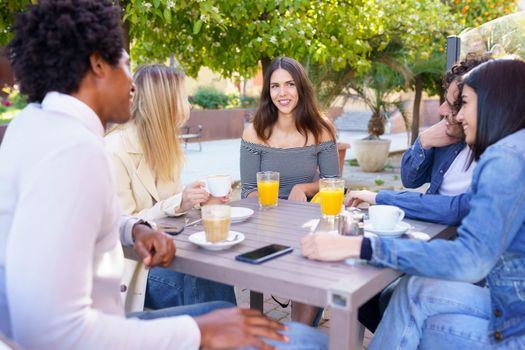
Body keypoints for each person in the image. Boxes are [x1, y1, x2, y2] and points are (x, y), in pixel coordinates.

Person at [0, 1, 327, 349]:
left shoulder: (33, 125)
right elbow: (50, 333)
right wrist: (200, 334)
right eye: (126, 66)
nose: (132, 85)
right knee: (307, 341)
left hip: (103, 318)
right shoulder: (74, 150)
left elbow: (73, 223)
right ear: (98, 64)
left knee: (223, 309)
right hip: (103, 328)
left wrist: (133, 229)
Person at [302, 58, 525, 349]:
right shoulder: (512, 147)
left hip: (512, 323)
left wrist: (361, 246)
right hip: (508, 299)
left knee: (424, 326)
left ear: (494, 102)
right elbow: (410, 176)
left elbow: (469, 259)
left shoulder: (504, 159)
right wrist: (424, 141)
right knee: (413, 288)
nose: (456, 115)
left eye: (464, 103)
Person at [105, 64, 235, 312]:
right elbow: (123, 227)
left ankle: (229, 336)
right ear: (164, 104)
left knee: (213, 267)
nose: (188, 103)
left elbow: (170, 210)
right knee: (201, 277)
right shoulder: (114, 150)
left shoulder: (166, 146)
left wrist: (198, 202)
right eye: (182, 96)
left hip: (164, 253)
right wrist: (178, 202)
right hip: (130, 265)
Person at [240, 56, 339, 325]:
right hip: (266, 222)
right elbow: (247, 191)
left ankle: (298, 334)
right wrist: (279, 207)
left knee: (309, 269)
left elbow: (332, 181)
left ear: (301, 88)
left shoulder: (322, 129)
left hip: (306, 222)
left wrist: (303, 187)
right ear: (267, 92)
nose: (282, 93)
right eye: (275, 86)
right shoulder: (254, 132)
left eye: (290, 85)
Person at [345, 54, 491, 226]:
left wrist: (379, 197)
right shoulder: (447, 136)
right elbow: (410, 180)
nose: (442, 110)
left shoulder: (499, 154)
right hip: (432, 226)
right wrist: (423, 141)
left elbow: (457, 209)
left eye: (456, 105)